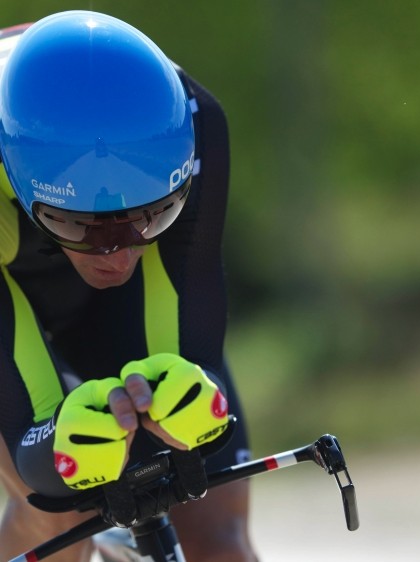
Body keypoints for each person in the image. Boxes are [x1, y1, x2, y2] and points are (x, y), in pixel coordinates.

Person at [0, 11, 257, 562]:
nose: (119, 254)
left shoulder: (193, 121)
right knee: (59, 511)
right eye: (78, 223)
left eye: (155, 215)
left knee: (220, 540)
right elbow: (30, 444)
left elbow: (193, 363)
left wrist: (188, 401)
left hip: (117, 312)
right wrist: (56, 452)